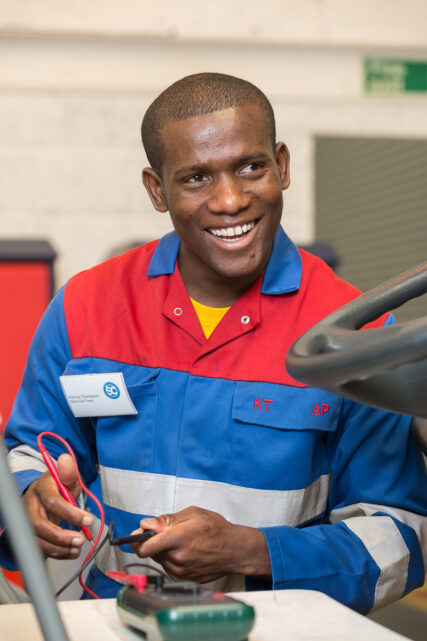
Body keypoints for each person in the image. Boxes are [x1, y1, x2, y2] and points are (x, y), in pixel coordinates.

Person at [1, 73, 426, 613]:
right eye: (197, 177)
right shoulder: (85, 307)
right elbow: (27, 451)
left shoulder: (356, 337)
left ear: (283, 166)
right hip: (104, 617)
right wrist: (29, 496)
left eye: (251, 167)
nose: (230, 200)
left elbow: (402, 537)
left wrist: (254, 551)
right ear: (157, 190)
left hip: (276, 628)